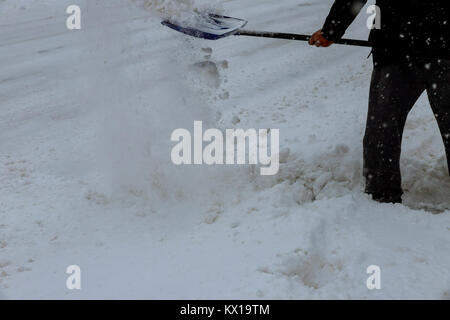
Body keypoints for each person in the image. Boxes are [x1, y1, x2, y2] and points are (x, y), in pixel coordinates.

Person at [309, 0, 450, 203]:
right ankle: (381, 197)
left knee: (383, 129)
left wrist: (332, 30)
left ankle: (382, 196)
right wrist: (332, 29)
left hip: (400, 49)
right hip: (407, 49)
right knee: (382, 130)